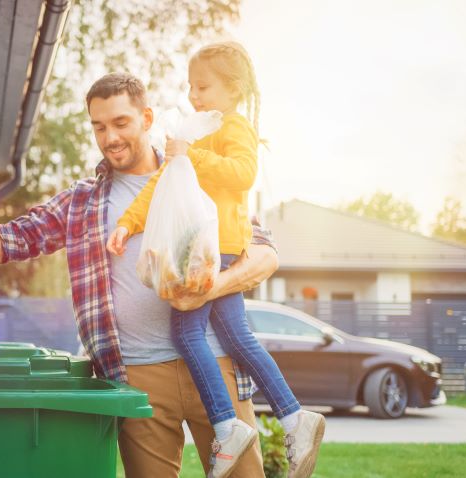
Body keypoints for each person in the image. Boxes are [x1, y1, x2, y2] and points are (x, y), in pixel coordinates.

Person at [0, 72, 278, 477]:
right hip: (138, 374)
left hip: (215, 361)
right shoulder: (82, 202)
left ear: (147, 118)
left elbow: (264, 256)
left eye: (120, 123)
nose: (110, 137)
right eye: (99, 127)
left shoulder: (199, 174)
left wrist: (211, 287)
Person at [107, 42, 325, 478]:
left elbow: (243, 173)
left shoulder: (234, 126)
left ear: (234, 88)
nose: (194, 95)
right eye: (191, 86)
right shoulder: (197, 130)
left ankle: (227, 425)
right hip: (205, 243)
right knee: (237, 336)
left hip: (218, 246)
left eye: (203, 87)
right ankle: (294, 417)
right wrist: (128, 224)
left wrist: (192, 154)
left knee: (186, 332)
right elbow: (161, 183)